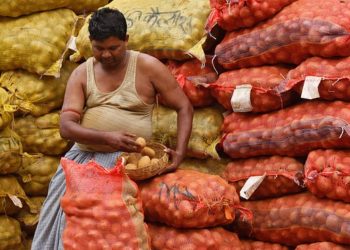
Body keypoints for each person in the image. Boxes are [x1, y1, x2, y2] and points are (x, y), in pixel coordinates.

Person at [32, 7, 193, 250]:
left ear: (126, 41)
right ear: (91, 44)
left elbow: (184, 107)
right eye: (99, 48)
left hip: (125, 162)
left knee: (107, 233)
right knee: (63, 223)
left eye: (113, 48)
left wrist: (180, 153)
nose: (106, 55)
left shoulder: (147, 67)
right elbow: (66, 127)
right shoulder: (82, 73)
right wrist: (107, 138)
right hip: (81, 159)